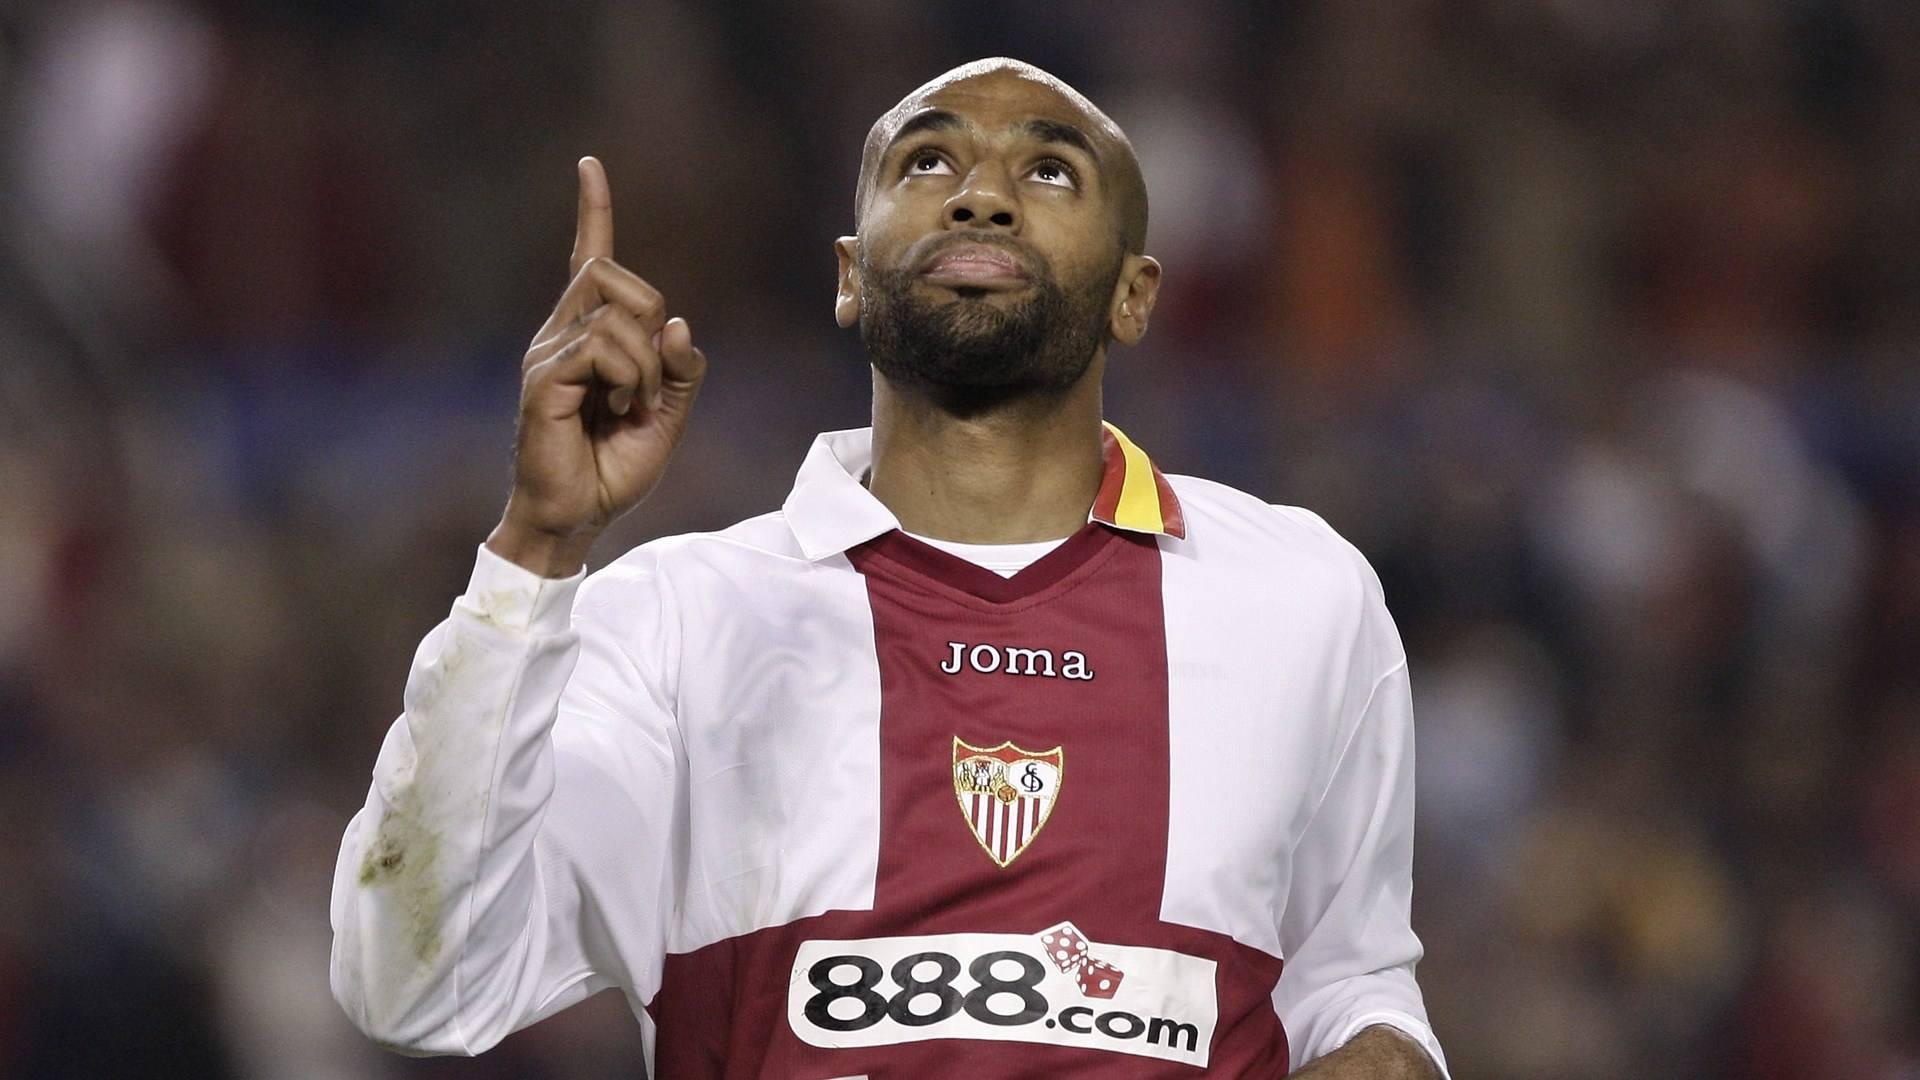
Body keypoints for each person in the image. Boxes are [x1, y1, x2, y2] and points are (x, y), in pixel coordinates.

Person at [329, 57, 1448, 1079]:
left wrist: (1388, 1053)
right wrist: (536, 547)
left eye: (1049, 171)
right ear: (850, 274)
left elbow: (1349, 982)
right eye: (927, 162)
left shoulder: (1299, 599)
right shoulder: (672, 623)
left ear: (1135, 294)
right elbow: (413, 985)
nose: (982, 195)